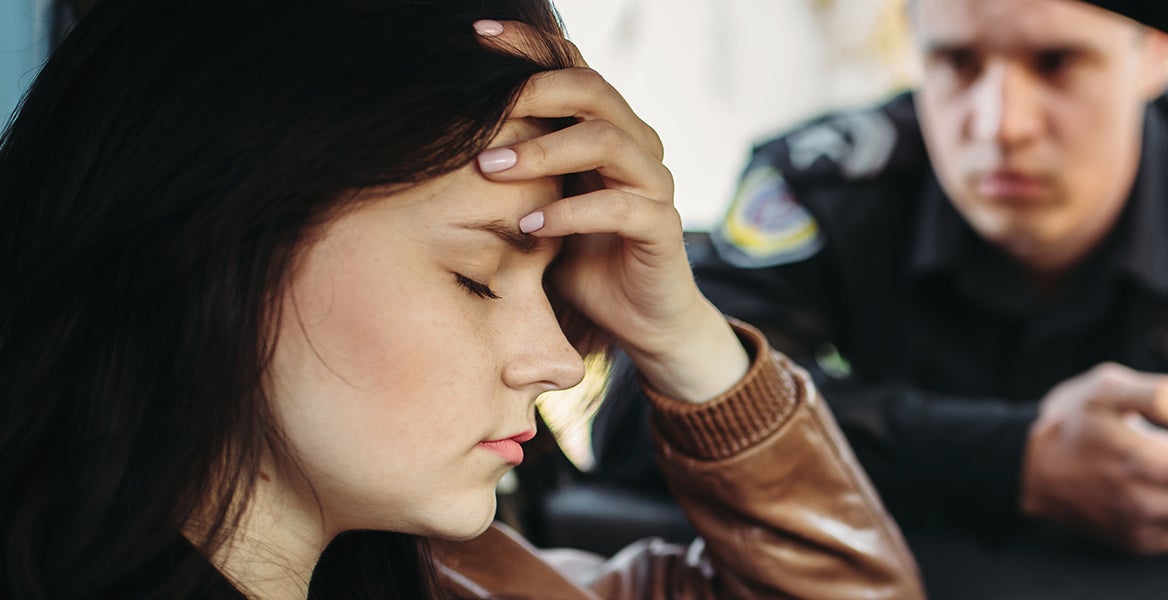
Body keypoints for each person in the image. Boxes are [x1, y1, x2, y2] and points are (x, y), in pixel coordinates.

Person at [0, 1, 920, 598]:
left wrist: (677, 331)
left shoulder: (454, 579)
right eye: (475, 278)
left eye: (550, 283)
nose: (558, 363)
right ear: (209, 235)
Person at [593, 0, 1168, 556]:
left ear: (1155, 52)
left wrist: (1122, 469)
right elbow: (643, 414)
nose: (1001, 122)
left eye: (1056, 62)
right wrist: (1015, 461)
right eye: (957, 62)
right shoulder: (829, 182)